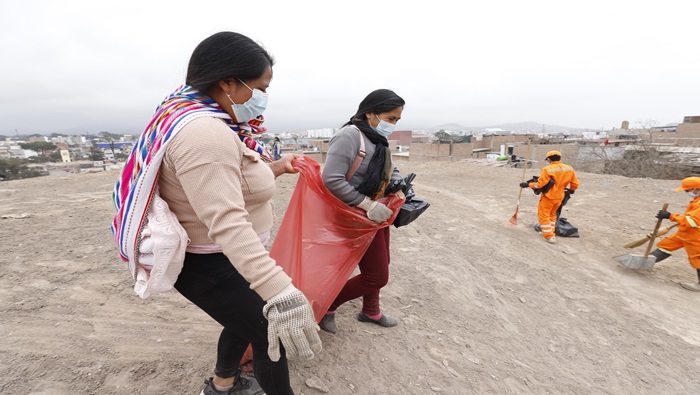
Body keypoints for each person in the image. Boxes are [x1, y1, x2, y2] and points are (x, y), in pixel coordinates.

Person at [112, 32, 321, 395]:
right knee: (272, 333)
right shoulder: (204, 133)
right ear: (227, 82)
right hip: (211, 263)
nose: (262, 99)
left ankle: (223, 384)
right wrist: (279, 290)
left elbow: (229, 183)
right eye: (259, 87)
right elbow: (226, 221)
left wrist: (275, 168)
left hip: (226, 258)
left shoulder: (207, 117)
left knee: (243, 322)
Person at [319, 89, 405, 333]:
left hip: (374, 214)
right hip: (352, 214)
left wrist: (398, 185)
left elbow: (389, 168)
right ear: (370, 113)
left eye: (397, 120)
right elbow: (332, 179)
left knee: (381, 263)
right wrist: (366, 205)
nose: (393, 124)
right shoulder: (350, 135)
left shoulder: (376, 138)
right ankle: (328, 306)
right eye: (390, 118)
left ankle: (371, 310)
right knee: (377, 276)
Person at [650, 177, 700, 292]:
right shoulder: (697, 200)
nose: (686, 193)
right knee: (665, 245)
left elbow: (692, 221)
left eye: (687, 190)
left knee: (697, 259)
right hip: (685, 233)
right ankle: (645, 263)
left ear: (696, 189)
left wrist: (670, 216)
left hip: (695, 237)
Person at [520, 150, 580, 244]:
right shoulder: (569, 168)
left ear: (549, 159)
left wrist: (528, 185)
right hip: (560, 196)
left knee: (544, 215)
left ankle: (549, 236)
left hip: (549, 196)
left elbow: (540, 184)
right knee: (552, 214)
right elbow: (575, 183)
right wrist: (572, 189)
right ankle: (551, 232)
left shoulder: (547, 169)